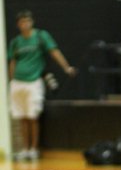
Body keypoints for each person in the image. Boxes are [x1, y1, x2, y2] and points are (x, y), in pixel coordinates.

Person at [8, 9, 76, 161]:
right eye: (21, 22)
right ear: (18, 24)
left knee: (32, 116)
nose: (24, 24)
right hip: (18, 83)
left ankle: (33, 149)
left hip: (34, 82)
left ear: (31, 22)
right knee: (22, 117)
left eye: (27, 21)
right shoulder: (16, 42)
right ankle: (24, 149)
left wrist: (66, 67)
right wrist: (11, 80)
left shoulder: (40, 36)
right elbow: (12, 61)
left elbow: (54, 52)